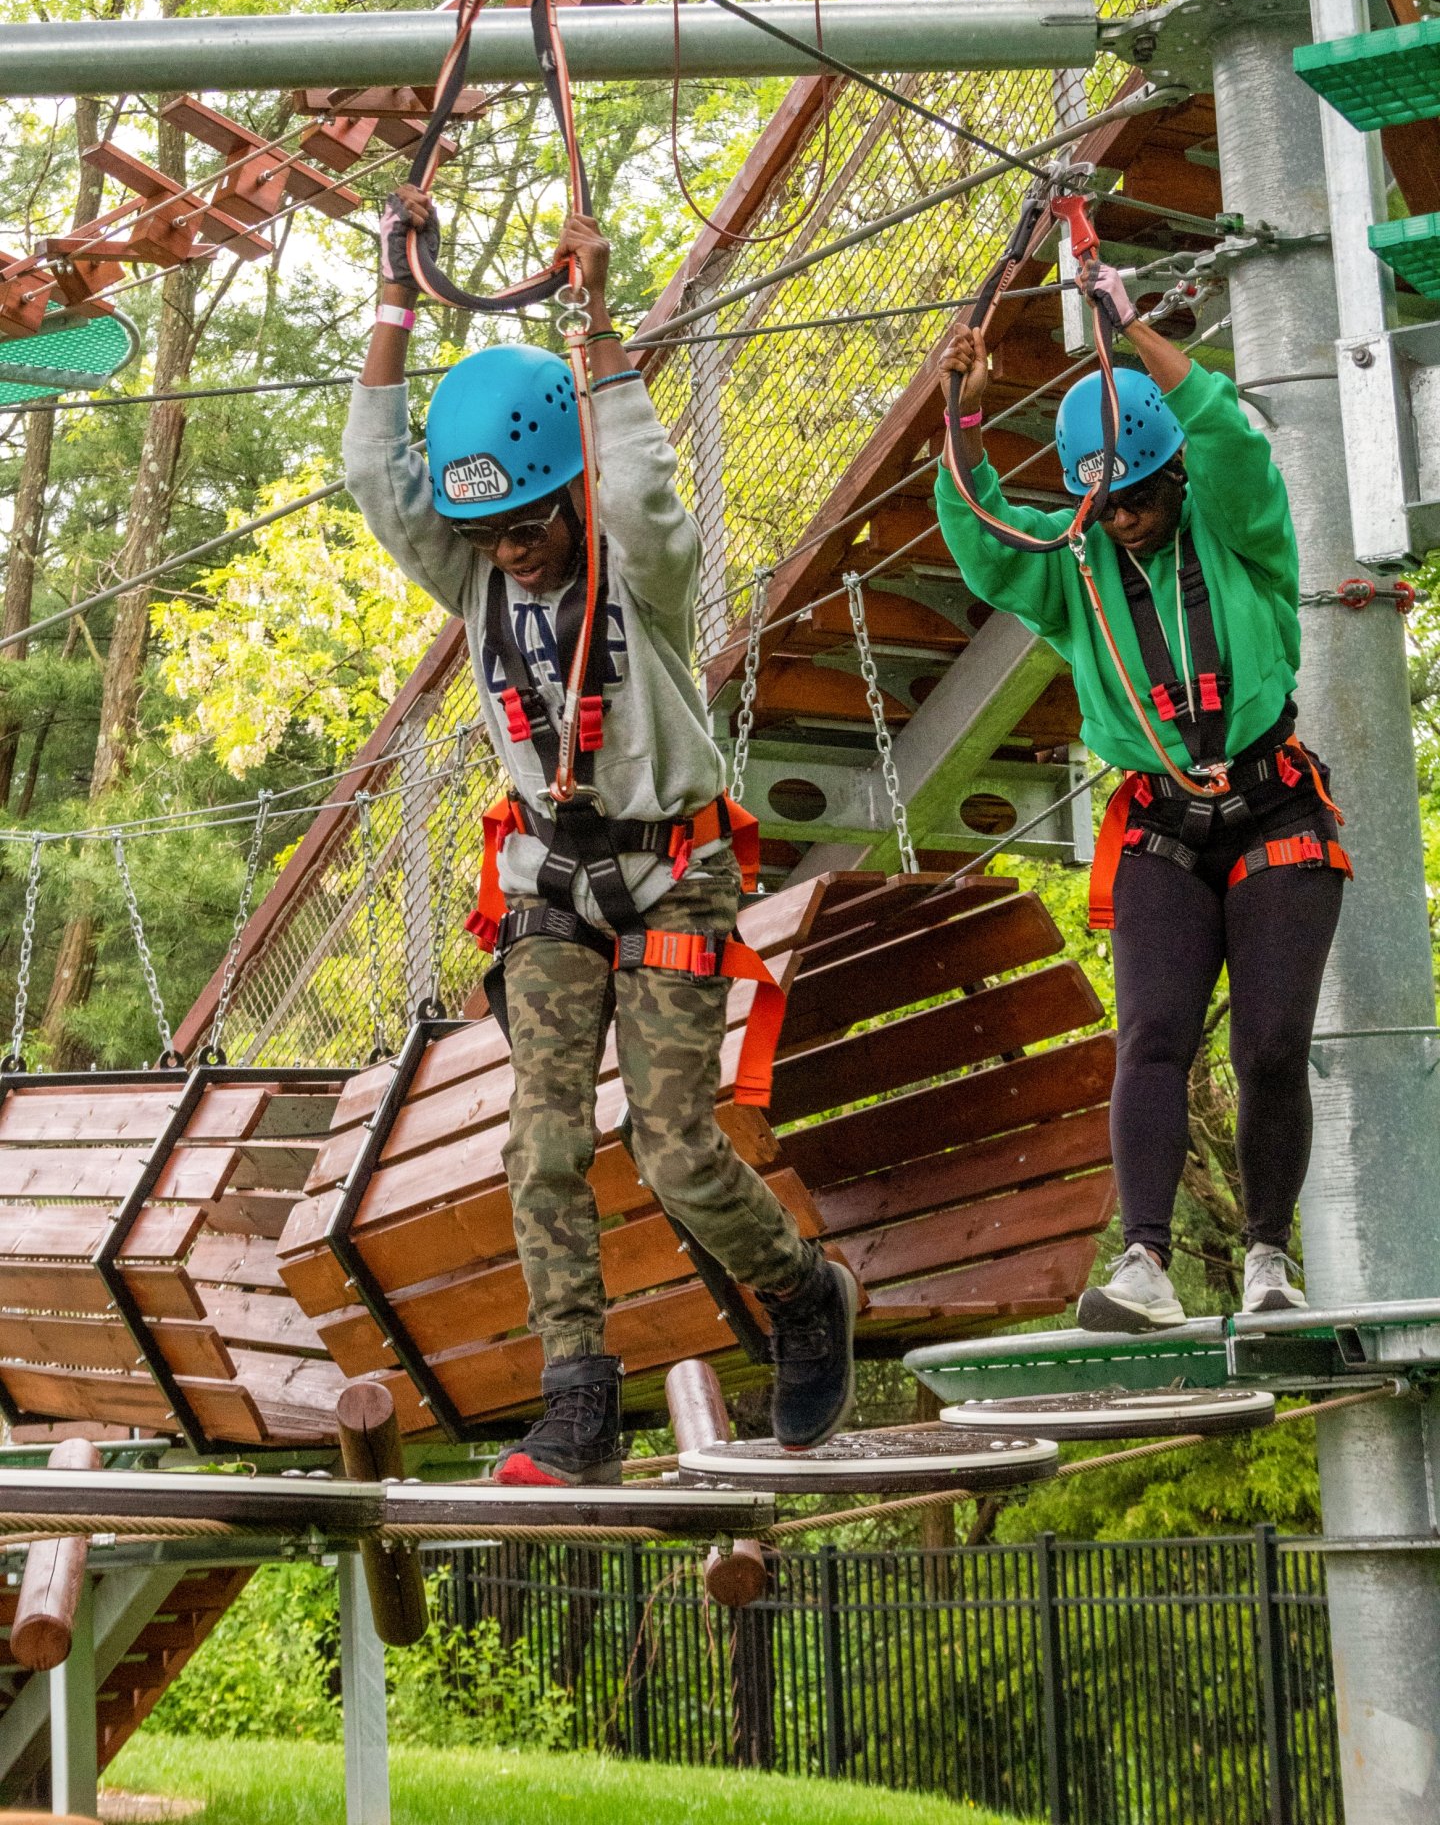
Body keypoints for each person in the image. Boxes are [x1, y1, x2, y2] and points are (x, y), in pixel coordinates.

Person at [343, 185, 856, 1482]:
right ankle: (574, 1401)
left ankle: (801, 1295)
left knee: (677, 1147)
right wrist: (395, 293)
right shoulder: (471, 572)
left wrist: (595, 318)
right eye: (486, 532)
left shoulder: (640, 571)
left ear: (569, 496)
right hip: (547, 882)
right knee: (542, 1139)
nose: (510, 552)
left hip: (674, 873)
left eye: (527, 522)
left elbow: (643, 482)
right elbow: (373, 471)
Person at [934, 259, 1349, 1333]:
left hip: (1275, 811)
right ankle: (1146, 1267)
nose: (1125, 519)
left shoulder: (1240, 526)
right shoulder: (1070, 569)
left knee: (1268, 1044)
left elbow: (1227, 434)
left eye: (1142, 496)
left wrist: (1131, 332)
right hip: (1162, 824)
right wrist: (963, 415)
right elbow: (983, 536)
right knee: (1154, 1035)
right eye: (1103, 503)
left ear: (1173, 479)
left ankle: (1267, 1258)